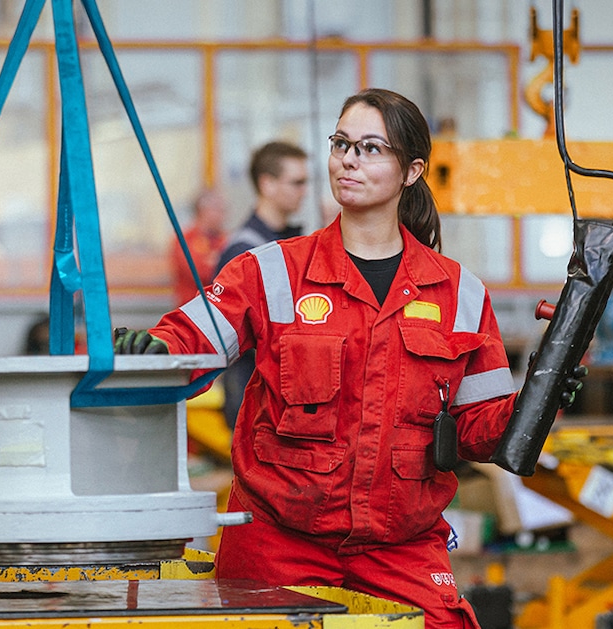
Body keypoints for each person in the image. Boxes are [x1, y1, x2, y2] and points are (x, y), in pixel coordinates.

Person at [115, 89, 582, 629]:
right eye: (341, 144)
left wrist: (536, 401)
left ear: (412, 172)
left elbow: (479, 428)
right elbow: (190, 339)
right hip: (279, 542)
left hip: (399, 547)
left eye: (370, 148)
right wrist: (157, 354)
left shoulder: (460, 294)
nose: (349, 159)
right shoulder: (270, 271)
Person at [214, 140, 309, 430]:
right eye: (296, 182)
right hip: (255, 402)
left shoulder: (290, 246)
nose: (304, 192)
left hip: (284, 400)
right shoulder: (245, 253)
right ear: (267, 184)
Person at [170, 187, 228, 307]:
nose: (223, 216)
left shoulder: (225, 239)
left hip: (218, 309)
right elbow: (201, 272)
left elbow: (231, 273)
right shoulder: (185, 239)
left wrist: (214, 261)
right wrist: (217, 261)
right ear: (202, 210)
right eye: (218, 210)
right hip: (189, 310)